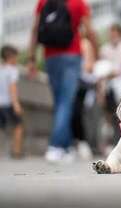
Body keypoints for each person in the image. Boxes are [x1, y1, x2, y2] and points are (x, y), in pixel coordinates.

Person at [28, 0, 98, 163]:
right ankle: (55, 146)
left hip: (49, 57)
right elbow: (90, 31)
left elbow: (35, 30)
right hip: (71, 55)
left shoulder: (43, 2)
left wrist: (32, 57)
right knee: (66, 102)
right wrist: (96, 52)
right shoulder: (78, 3)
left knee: (59, 102)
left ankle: (66, 148)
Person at [0, 45, 24, 159]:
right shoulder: (12, 70)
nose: (17, 60)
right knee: (18, 126)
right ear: (11, 57)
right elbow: (12, 87)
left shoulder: (1, 69)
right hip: (9, 103)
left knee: (1, 128)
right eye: (16, 57)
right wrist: (16, 104)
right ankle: (16, 152)